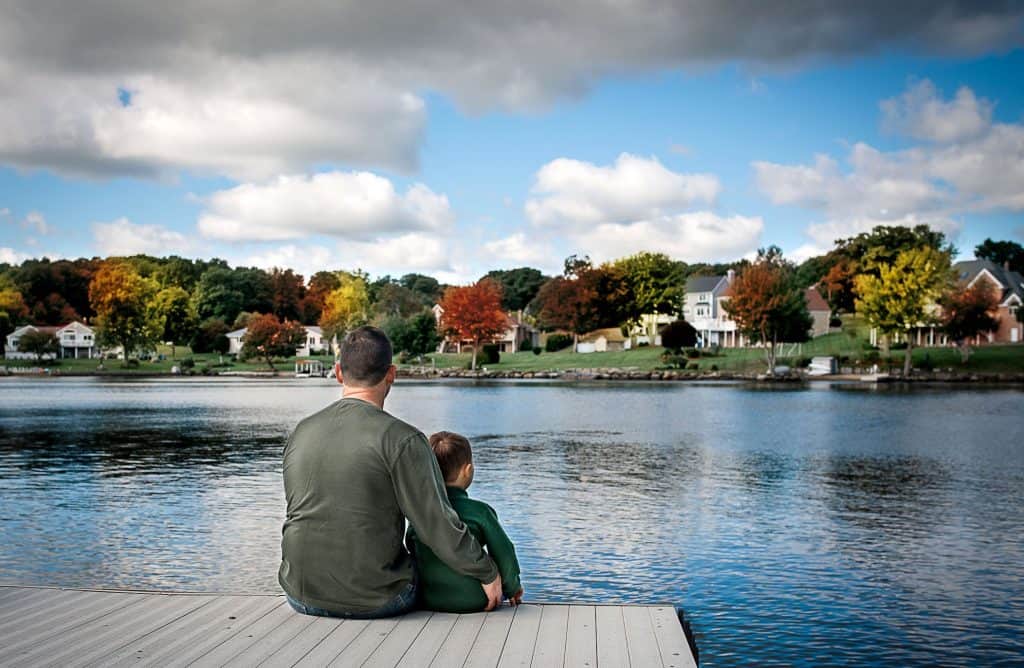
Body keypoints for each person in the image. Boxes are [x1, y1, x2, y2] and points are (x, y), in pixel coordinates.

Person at [279, 326, 503, 618]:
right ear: (391, 374)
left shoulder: (301, 432)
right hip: (379, 599)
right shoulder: (404, 439)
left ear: (338, 373)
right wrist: (487, 572)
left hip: (300, 593)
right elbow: (436, 525)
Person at [408, 431, 523, 613]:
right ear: (467, 470)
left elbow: (411, 545)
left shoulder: (421, 514)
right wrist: (512, 588)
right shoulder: (481, 512)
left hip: (427, 598)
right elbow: (505, 552)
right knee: (497, 553)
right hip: (475, 599)